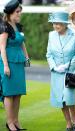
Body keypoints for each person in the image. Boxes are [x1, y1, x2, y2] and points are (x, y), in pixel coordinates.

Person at [46, 12, 75, 131]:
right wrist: (54, 67)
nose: (55, 26)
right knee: (60, 100)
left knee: (69, 97)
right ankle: (68, 123)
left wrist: (68, 66)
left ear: (65, 24)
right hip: (56, 73)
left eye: (58, 23)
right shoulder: (51, 35)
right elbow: (49, 54)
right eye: (54, 23)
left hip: (70, 72)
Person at [0, 0, 29, 130]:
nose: (19, 14)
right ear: (10, 13)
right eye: (17, 12)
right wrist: (5, 65)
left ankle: (16, 121)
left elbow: (22, 43)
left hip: (18, 63)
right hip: (8, 63)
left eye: (20, 12)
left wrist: (27, 57)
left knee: (18, 93)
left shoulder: (19, 26)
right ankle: (9, 122)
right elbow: (2, 46)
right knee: (9, 93)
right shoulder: (4, 26)